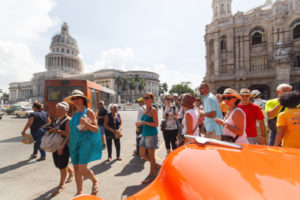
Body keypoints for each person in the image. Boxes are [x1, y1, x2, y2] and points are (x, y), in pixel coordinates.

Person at [64, 90, 102, 196]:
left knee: (82, 169)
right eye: (73, 98)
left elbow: (96, 129)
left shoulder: (88, 112)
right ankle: (79, 191)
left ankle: (94, 180)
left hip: (86, 143)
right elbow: (72, 131)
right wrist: (64, 144)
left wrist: (86, 124)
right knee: (76, 169)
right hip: (74, 144)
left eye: (78, 98)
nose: (76, 100)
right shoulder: (74, 113)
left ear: (83, 99)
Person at [49, 102, 74, 196]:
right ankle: (71, 172)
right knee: (58, 163)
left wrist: (62, 146)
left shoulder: (68, 120)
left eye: (60, 109)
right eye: (57, 109)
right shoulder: (57, 119)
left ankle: (61, 185)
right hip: (56, 144)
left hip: (64, 145)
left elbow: (69, 133)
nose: (58, 111)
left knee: (62, 165)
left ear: (66, 110)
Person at [136, 92, 160, 184]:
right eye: (144, 97)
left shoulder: (153, 110)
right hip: (144, 134)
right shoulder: (144, 109)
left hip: (151, 135)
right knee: (142, 153)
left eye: (147, 98)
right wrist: (139, 123)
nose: (145, 99)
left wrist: (144, 123)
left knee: (151, 155)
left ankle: (151, 175)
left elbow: (156, 124)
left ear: (151, 99)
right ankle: (155, 165)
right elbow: (143, 121)